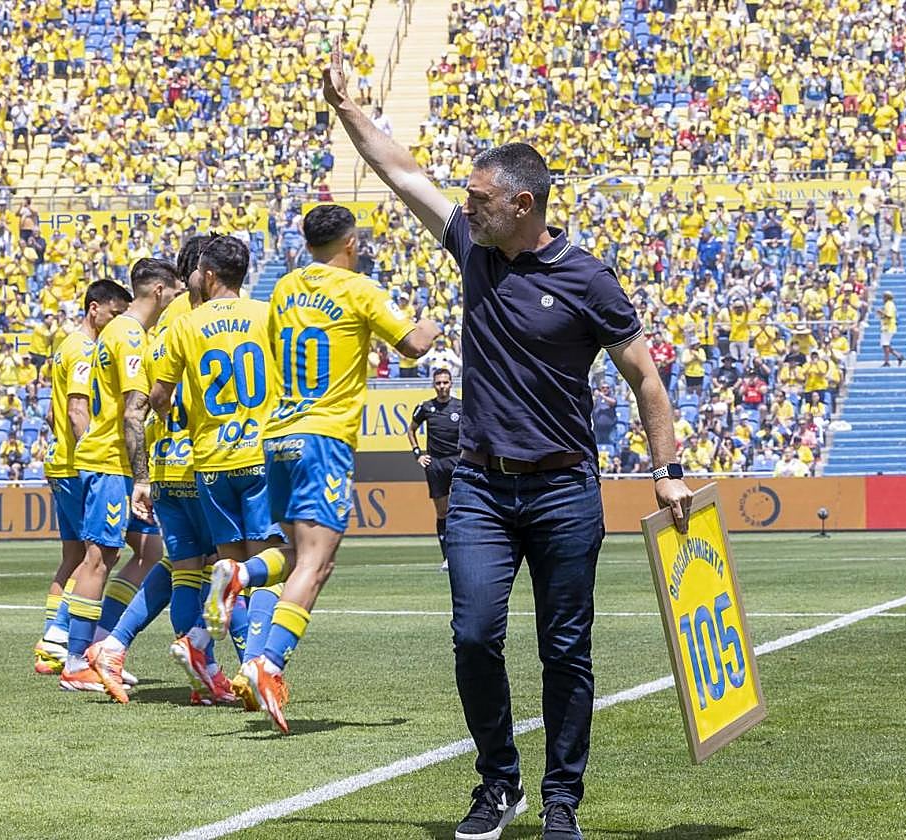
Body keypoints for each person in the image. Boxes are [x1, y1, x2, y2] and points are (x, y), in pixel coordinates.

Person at [324, 39, 691, 840]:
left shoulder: (588, 279)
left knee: (566, 651)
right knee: (473, 634)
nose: (468, 206)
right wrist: (351, 109)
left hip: (563, 488)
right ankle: (499, 783)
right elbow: (402, 174)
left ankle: (563, 800)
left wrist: (669, 470)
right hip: (482, 487)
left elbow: (646, 381)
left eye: (481, 198)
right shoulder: (472, 250)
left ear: (523, 204)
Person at [216, 203, 437, 733]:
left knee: (296, 555)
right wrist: (432, 322)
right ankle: (269, 666)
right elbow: (412, 346)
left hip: (278, 435)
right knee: (318, 565)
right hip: (323, 437)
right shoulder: (360, 290)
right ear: (351, 243)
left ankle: (241, 574)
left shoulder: (285, 289)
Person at [92, 236, 240, 707]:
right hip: (202, 458)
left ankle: (115, 647)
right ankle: (229, 659)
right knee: (228, 563)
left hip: (165, 458)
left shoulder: (166, 323)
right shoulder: (198, 320)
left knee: (181, 564)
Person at [153, 235, 295, 712]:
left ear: (208, 274)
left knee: (228, 568)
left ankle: (208, 646)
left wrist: (187, 415)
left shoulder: (186, 325)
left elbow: (158, 396)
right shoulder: (267, 316)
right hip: (260, 454)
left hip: (210, 462)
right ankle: (256, 664)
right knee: (266, 569)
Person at [59, 258, 181, 700]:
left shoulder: (117, 332)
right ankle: (75, 660)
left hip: (109, 460)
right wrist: (141, 476)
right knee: (98, 558)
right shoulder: (129, 335)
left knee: (142, 551)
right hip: (110, 461)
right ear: (159, 292)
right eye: (174, 293)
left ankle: (94, 646)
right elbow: (134, 408)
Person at [34, 279, 132, 677]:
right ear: (95, 309)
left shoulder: (65, 347)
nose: (116, 321)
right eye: (113, 313)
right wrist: (90, 455)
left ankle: (51, 643)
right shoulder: (82, 349)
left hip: (63, 462)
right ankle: (61, 642)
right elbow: (76, 411)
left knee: (74, 557)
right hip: (78, 466)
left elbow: (53, 412)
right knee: (94, 556)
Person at [406, 368, 462, 570]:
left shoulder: (461, 407)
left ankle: (464, 555)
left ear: (451, 384)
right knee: (442, 512)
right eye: (438, 383)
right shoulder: (426, 407)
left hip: (457, 462)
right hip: (435, 463)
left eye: (445, 382)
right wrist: (417, 453)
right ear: (434, 385)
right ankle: (447, 557)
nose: (442, 387)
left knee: (462, 509)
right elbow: (411, 429)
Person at [875, 291, 904, 367]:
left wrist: (881, 312)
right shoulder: (887, 304)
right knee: (885, 345)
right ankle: (898, 356)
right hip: (885, 326)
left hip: (889, 327)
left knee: (886, 344)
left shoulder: (889, 304)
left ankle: (887, 361)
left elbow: (889, 315)